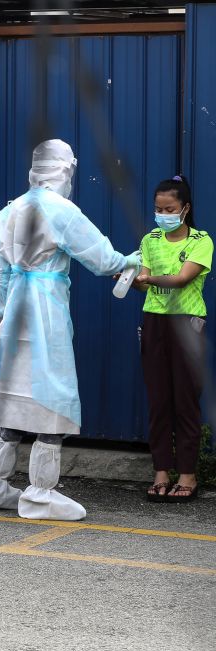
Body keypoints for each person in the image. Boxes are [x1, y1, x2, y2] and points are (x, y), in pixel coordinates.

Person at [0, 139, 140, 521]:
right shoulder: (61, 210)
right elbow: (99, 256)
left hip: (14, 313)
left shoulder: (12, 210)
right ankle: (41, 492)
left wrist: (3, 313)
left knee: (14, 393)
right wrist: (127, 260)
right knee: (53, 391)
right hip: (46, 310)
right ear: (64, 171)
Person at [134, 176, 211, 503]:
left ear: (185, 209)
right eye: (158, 209)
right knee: (159, 399)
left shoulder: (201, 240)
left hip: (187, 323)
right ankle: (161, 472)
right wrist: (130, 278)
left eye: (170, 209)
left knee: (186, 400)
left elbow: (182, 279)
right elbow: (142, 284)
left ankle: (189, 475)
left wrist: (148, 277)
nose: (163, 214)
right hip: (154, 321)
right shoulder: (150, 239)